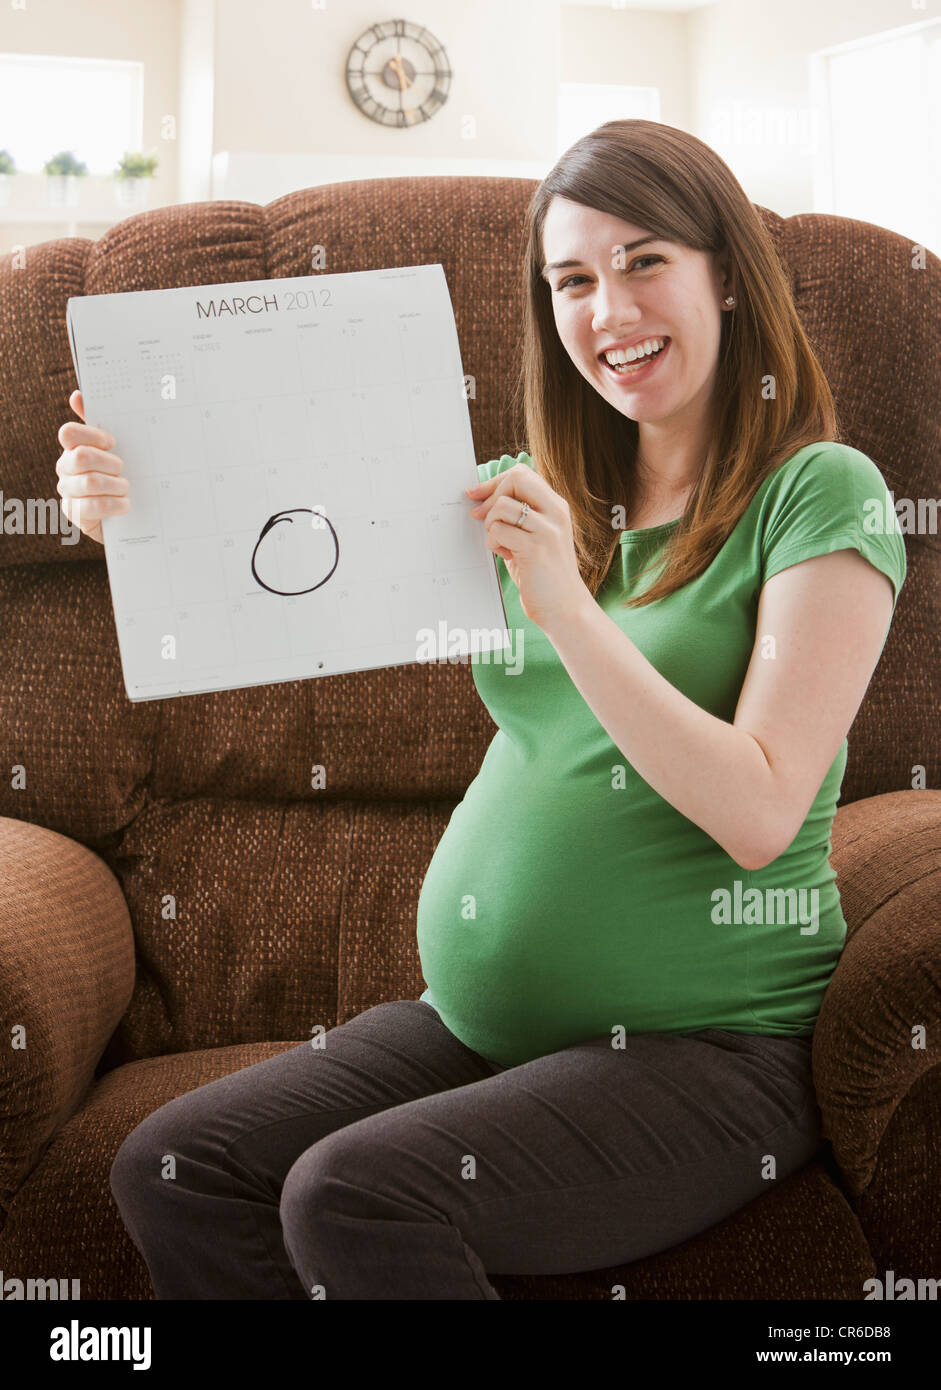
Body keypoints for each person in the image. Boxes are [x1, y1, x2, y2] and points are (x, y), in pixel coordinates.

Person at [58, 119, 906, 1300]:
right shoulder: (538, 487)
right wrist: (134, 520)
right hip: (479, 1024)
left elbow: (760, 810)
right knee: (175, 1165)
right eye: (571, 280)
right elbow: (280, 548)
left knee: (352, 1192)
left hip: (710, 1049)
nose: (607, 310)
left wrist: (563, 603)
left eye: (643, 260)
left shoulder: (819, 494)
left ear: (725, 273)